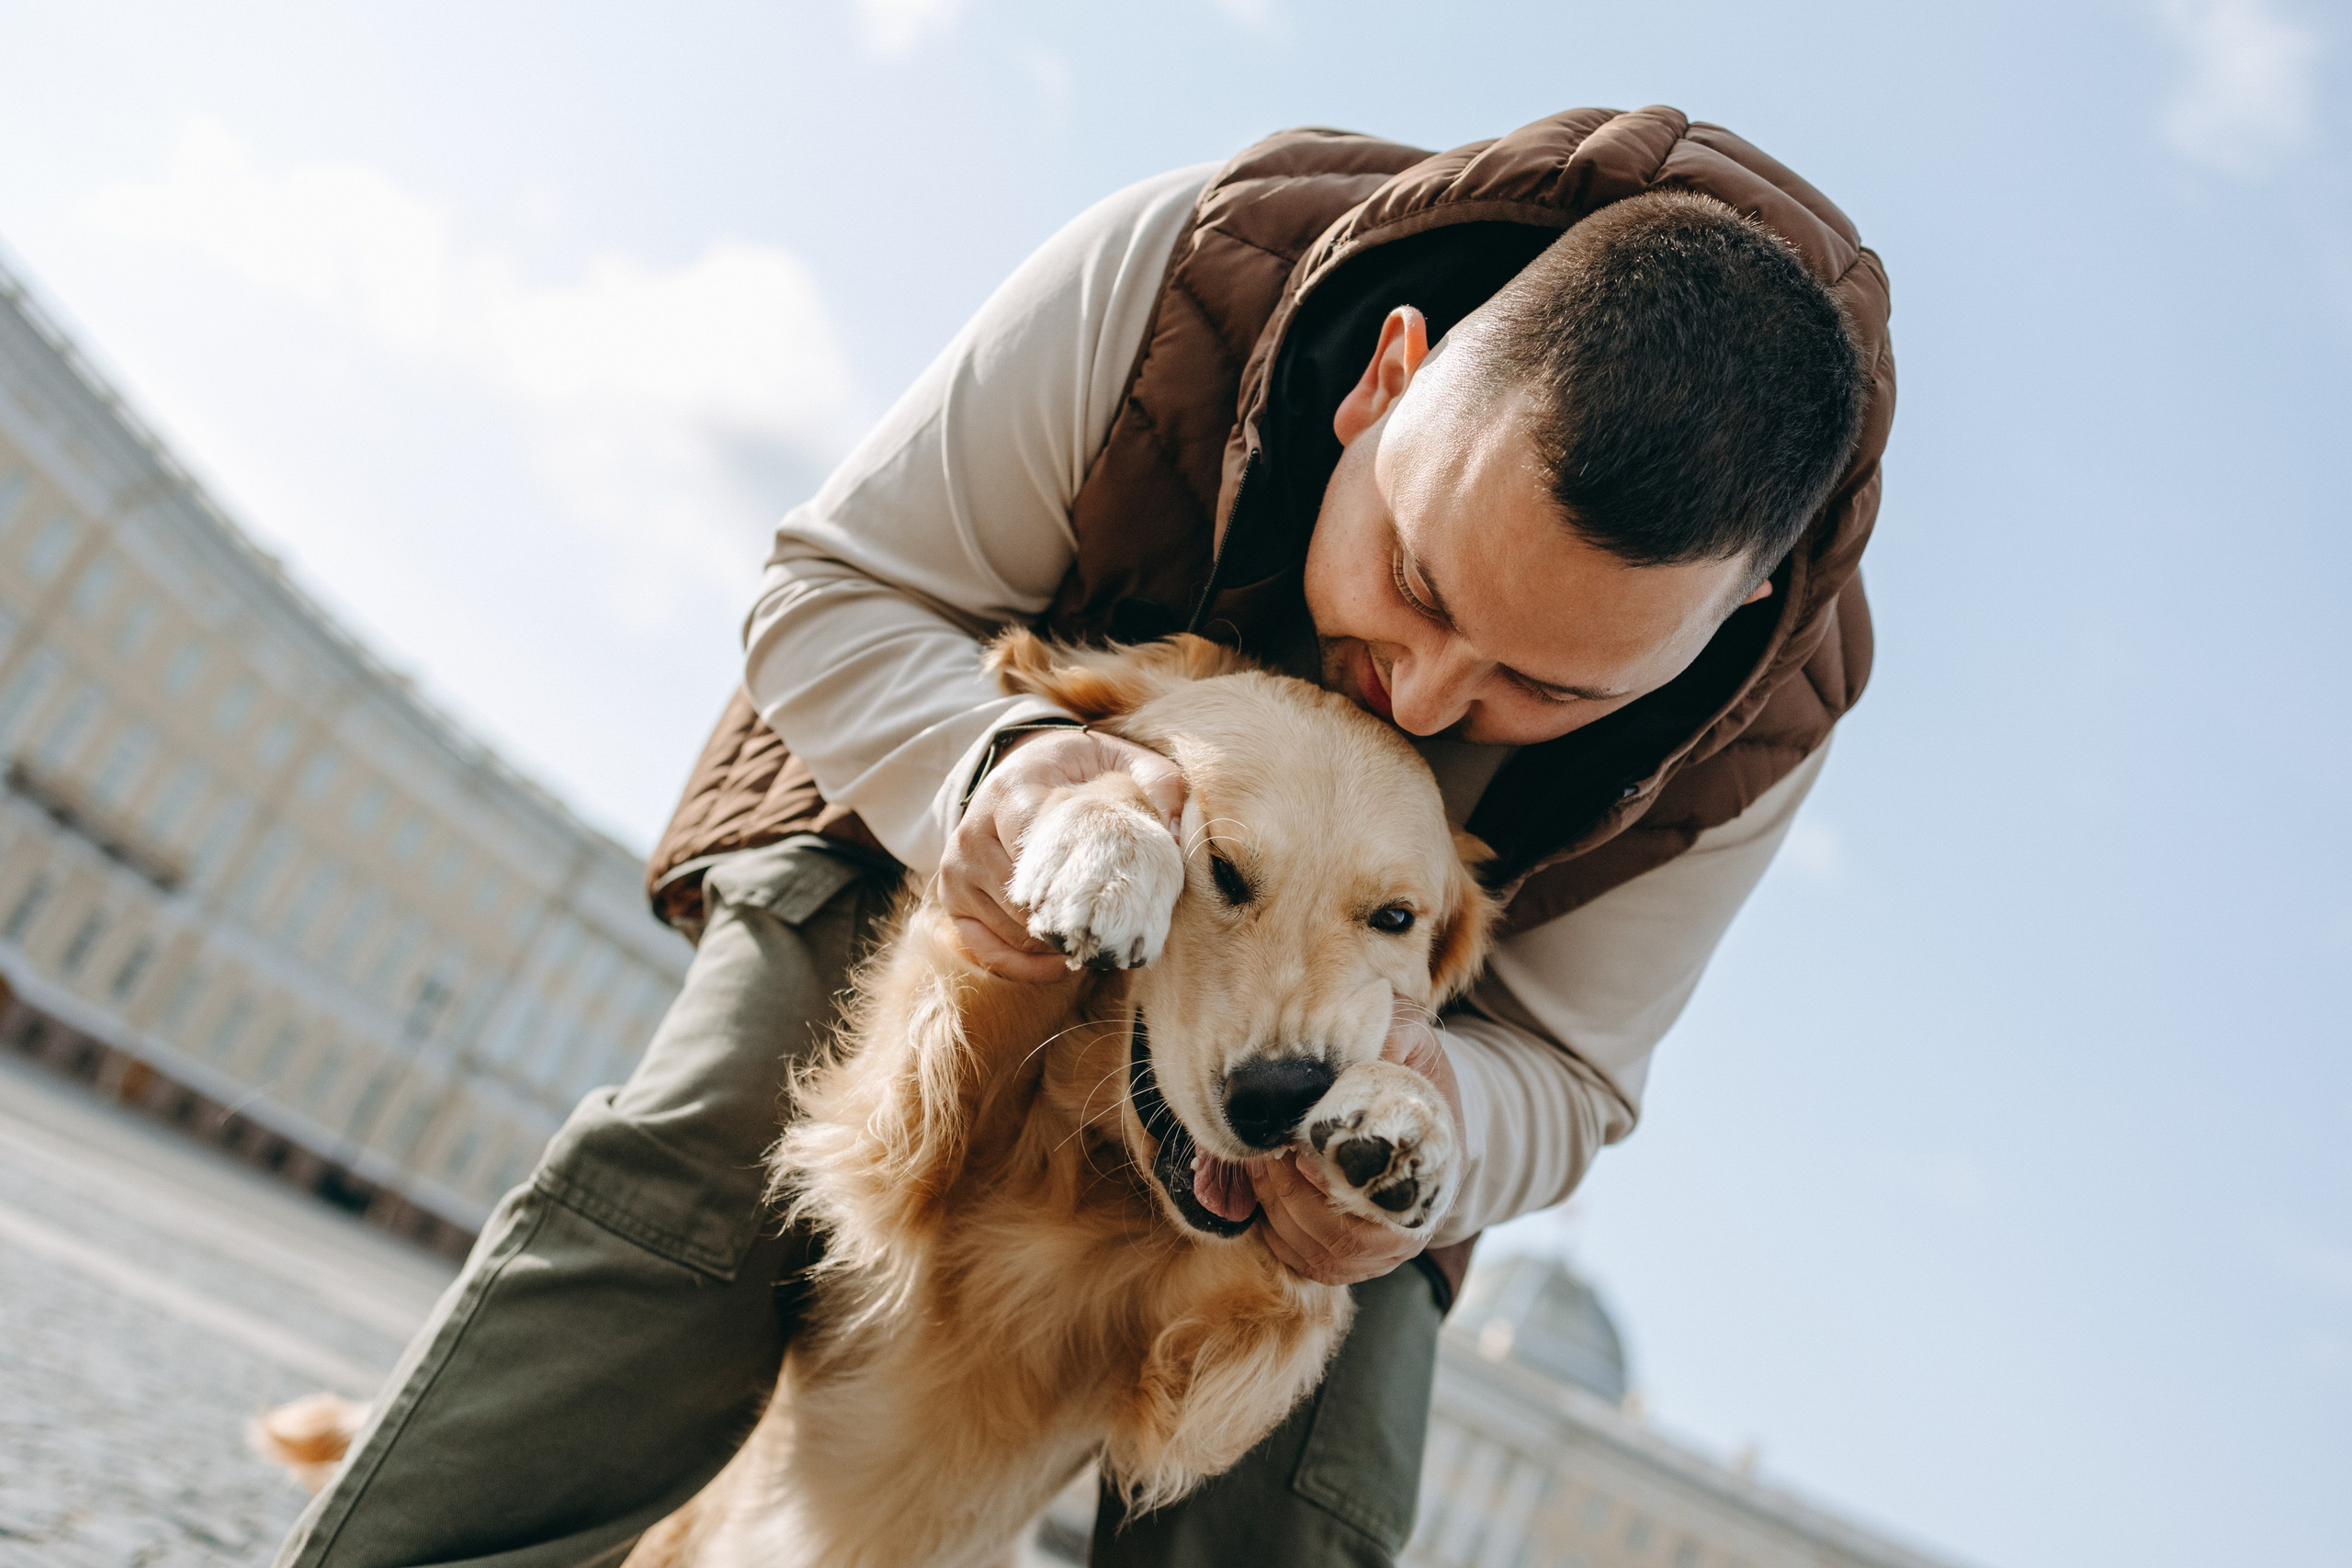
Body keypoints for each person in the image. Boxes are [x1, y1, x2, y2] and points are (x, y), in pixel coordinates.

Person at [276, 106, 1893, 1568]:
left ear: (1725, 621)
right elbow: (834, 591)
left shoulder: (1767, 717)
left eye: (1546, 685)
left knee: (1324, 1457)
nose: (1419, 697)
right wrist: (1018, 779)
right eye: (1415, 578)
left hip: (1349, 1018)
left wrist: (1435, 1122)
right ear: (1386, 380)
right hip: (923, 793)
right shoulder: (1171, 270)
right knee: (699, 1174)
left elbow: (1568, 1065)